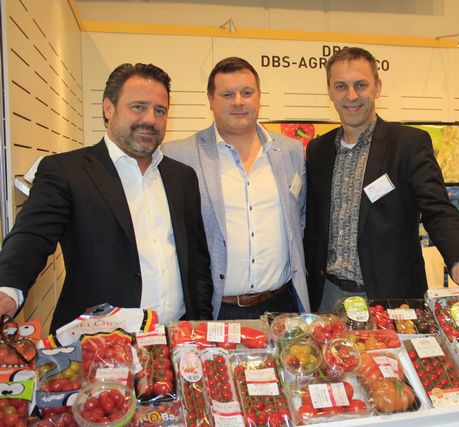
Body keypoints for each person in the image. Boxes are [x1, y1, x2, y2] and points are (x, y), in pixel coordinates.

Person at [0, 63, 213, 331]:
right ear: (108, 108)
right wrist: (8, 289)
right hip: (99, 342)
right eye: (138, 107)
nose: (150, 119)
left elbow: (196, 263)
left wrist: (201, 324)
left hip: (177, 336)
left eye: (160, 110)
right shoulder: (67, 171)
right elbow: (32, 236)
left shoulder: (182, 177)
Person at [304, 47, 459, 312]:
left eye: (360, 85)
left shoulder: (408, 144)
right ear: (330, 91)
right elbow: (313, 225)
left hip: (390, 297)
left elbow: (437, 210)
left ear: (377, 87)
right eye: (341, 86)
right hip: (328, 296)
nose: (351, 95)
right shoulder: (318, 150)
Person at [163, 57, 309, 320]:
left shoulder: (291, 151)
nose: (238, 102)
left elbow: (300, 218)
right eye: (227, 94)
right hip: (217, 310)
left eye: (247, 92)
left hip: (283, 305)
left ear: (259, 97)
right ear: (211, 100)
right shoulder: (179, 155)